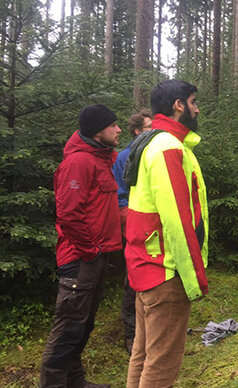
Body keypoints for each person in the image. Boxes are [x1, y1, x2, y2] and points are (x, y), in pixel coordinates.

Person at [124, 80, 209, 387]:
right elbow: (177, 220)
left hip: (146, 265)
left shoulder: (151, 142)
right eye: (193, 102)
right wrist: (193, 277)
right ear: (178, 105)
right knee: (161, 366)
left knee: (143, 354)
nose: (196, 109)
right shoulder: (168, 147)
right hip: (167, 272)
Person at [40, 104, 122, 388]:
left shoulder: (101, 159)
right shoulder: (79, 163)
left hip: (96, 256)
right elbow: (69, 215)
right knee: (68, 328)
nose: (118, 129)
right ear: (99, 130)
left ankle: (75, 383)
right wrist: (91, 251)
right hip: (80, 258)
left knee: (82, 325)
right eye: (113, 125)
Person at [111, 109, 153, 355]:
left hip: (153, 227)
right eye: (149, 127)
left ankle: (151, 327)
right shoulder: (124, 157)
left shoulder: (155, 153)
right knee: (133, 278)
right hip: (133, 224)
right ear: (138, 131)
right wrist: (132, 221)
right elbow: (119, 196)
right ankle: (131, 334)